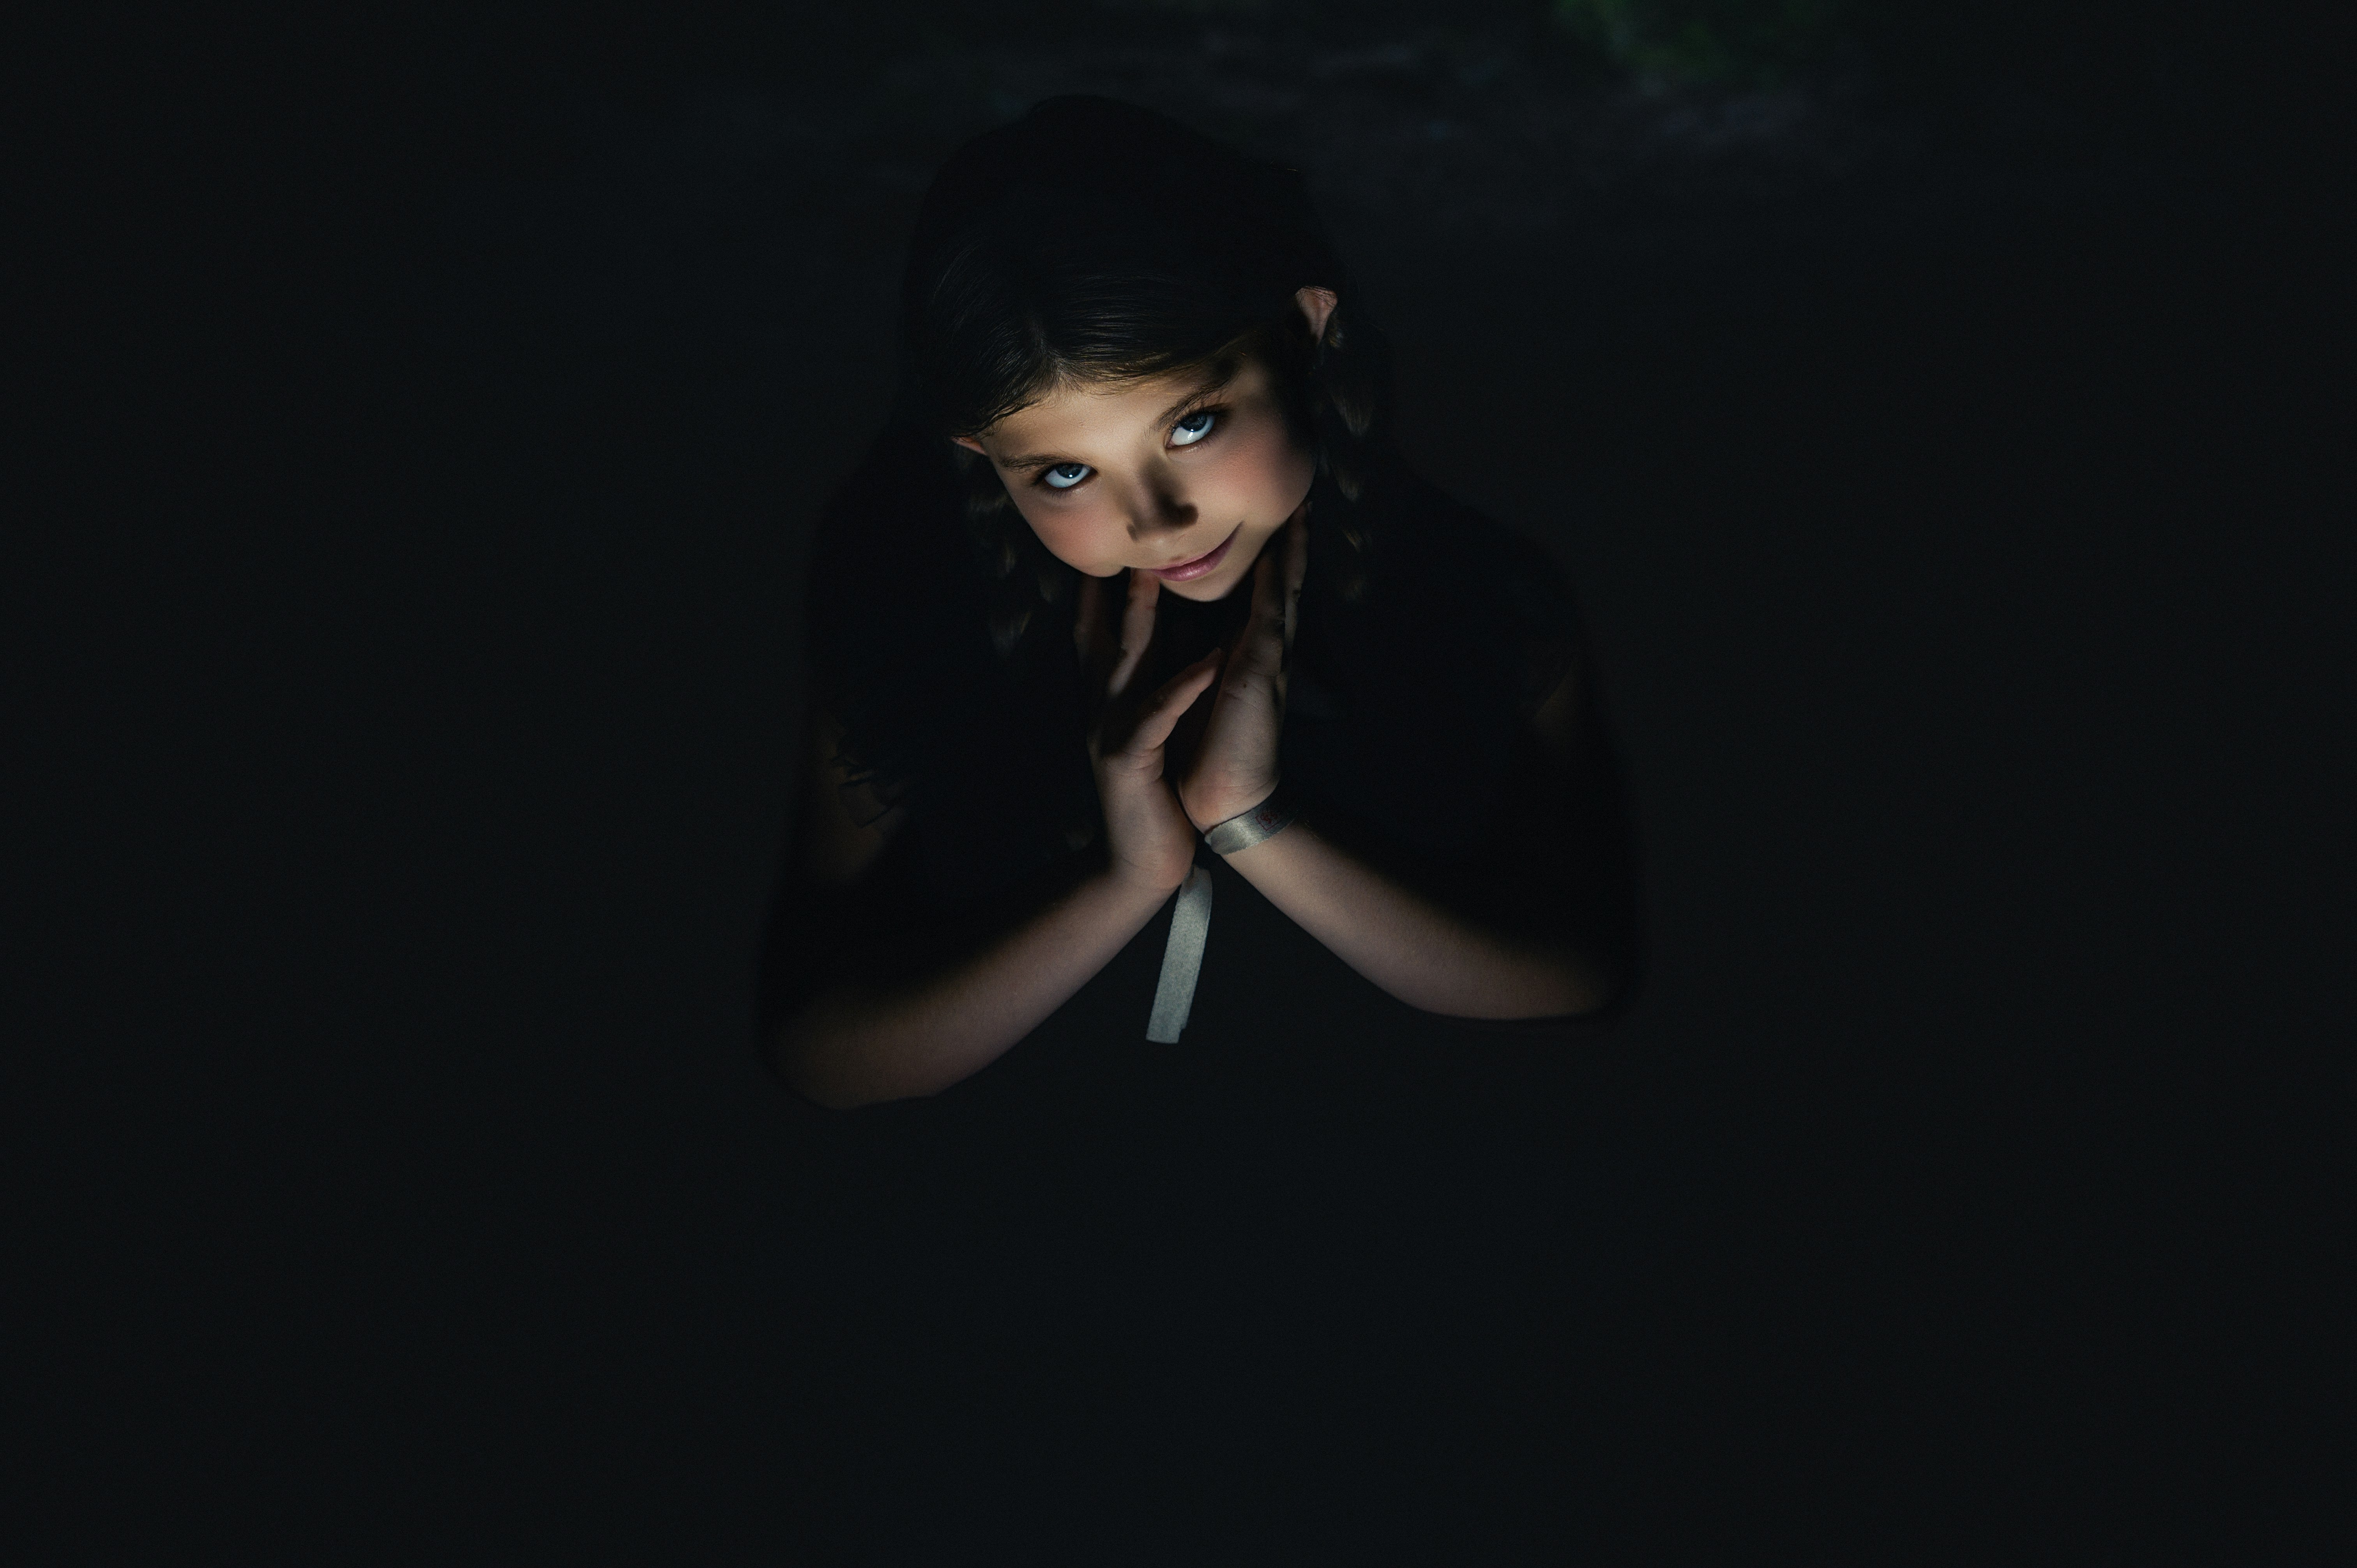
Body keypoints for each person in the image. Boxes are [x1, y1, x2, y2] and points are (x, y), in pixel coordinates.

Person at [761, 96, 1638, 1112]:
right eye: (1062, 475)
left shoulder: (1489, 601)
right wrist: (1126, 879)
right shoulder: (914, 628)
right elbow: (816, 1053)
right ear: (983, 464)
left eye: (1194, 425)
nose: (1159, 518)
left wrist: (1254, 826)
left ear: (1306, 333)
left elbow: (1585, 975)